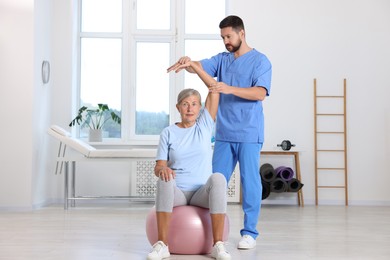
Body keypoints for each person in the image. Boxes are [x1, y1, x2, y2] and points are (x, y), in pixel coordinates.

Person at [167, 15, 272, 250]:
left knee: (250, 182)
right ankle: (210, 229)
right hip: (224, 133)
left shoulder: (260, 61)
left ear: (241, 33)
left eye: (229, 36)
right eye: (223, 37)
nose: (226, 41)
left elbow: (260, 93)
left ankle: (249, 233)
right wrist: (189, 62)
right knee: (214, 182)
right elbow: (201, 68)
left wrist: (228, 88)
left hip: (249, 132)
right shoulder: (223, 59)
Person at [147, 61, 231, 260]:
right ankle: (162, 245)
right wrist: (163, 170)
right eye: (185, 104)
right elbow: (158, 166)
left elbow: (214, 89)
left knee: (218, 177)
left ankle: (218, 245)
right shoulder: (168, 132)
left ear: (200, 107)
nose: (190, 108)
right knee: (164, 180)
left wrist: (195, 66)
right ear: (178, 107)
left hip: (201, 192)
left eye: (194, 104)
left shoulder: (204, 126)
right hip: (178, 192)